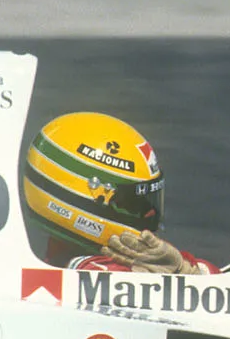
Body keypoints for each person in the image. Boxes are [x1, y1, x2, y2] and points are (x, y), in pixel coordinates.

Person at [22, 112, 216, 273]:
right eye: (133, 204)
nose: (149, 214)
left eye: (149, 200)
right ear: (87, 200)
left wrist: (186, 272)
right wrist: (181, 281)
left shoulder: (150, 263)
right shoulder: (90, 273)